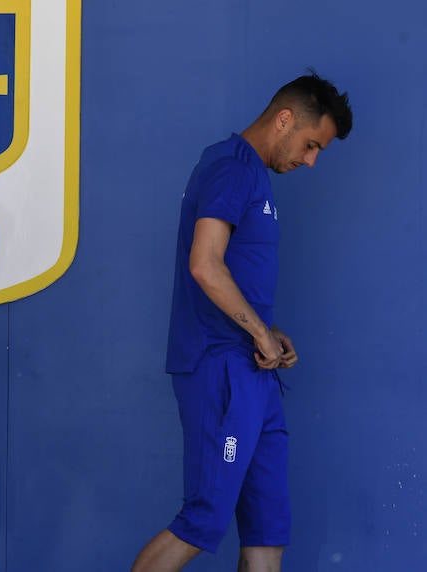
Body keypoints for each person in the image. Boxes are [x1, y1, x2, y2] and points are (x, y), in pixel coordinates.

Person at [131, 73, 353, 572]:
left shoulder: (255, 178)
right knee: (201, 520)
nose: (311, 160)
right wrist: (258, 332)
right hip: (221, 367)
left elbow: (234, 279)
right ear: (284, 119)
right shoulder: (231, 169)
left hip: (256, 372)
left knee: (267, 536)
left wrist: (268, 334)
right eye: (311, 145)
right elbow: (204, 263)